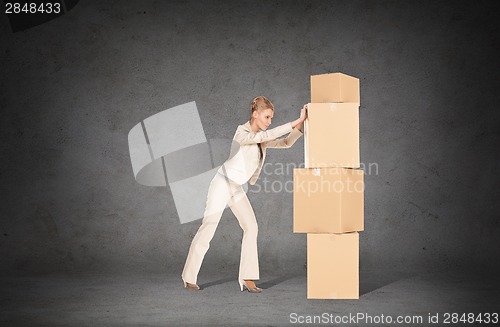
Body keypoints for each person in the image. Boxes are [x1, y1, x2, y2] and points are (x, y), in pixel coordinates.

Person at [181, 96, 308, 293]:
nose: (269, 122)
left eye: (271, 118)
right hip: (222, 184)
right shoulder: (242, 133)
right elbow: (264, 136)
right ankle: (188, 277)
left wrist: (301, 127)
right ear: (255, 114)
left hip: (237, 188)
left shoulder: (261, 140)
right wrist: (294, 122)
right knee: (209, 227)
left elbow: (285, 143)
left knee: (251, 226)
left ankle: (247, 278)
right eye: (266, 117)